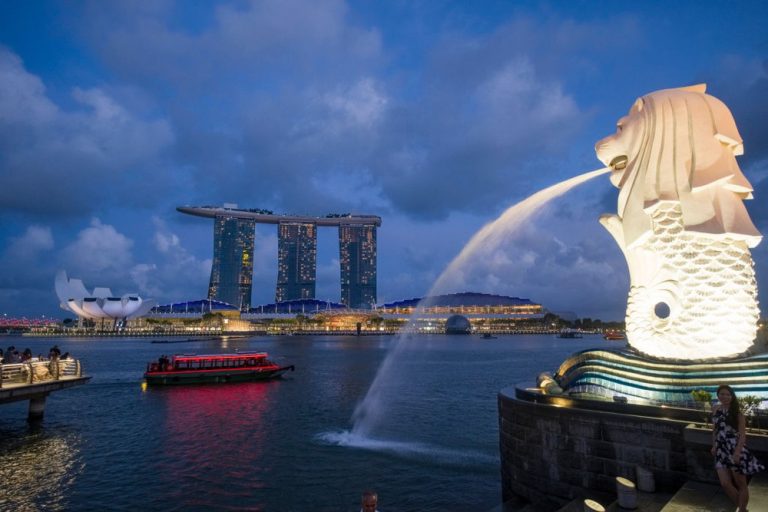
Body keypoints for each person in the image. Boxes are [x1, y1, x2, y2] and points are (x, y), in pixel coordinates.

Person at [711, 384, 764, 512]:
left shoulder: (738, 413)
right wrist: (714, 445)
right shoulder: (715, 409)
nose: (725, 397)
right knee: (725, 484)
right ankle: (743, 509)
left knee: (741, 484)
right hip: (721, 450)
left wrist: (737, 453)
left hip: (735, 449)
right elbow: (715, 430)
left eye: (728, 394)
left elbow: (742, 435)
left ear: (732, 396)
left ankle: (742, 509)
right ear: (718, 395)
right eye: (722, 394)